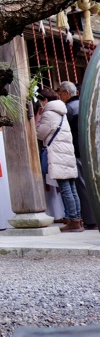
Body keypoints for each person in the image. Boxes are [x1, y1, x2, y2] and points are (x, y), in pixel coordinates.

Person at [36, 86, 83, 232]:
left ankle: (74, 221)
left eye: (40, 101)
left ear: (45, 100)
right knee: (72, 188)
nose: (40, 104)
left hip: (57, 153)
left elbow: (40, 133)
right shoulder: (62, 111)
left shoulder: (49, 113)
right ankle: (77, 219)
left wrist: (37, 119)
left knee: (65, 188)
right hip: (67, 153)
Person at [58, 80, 96, 229]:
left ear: (66, 93)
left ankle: (91, 220)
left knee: (82, 185)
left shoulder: (69, 109)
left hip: (78, 150)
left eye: (60, 93)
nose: (60, 96)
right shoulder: (84, 104)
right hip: (90, 149)